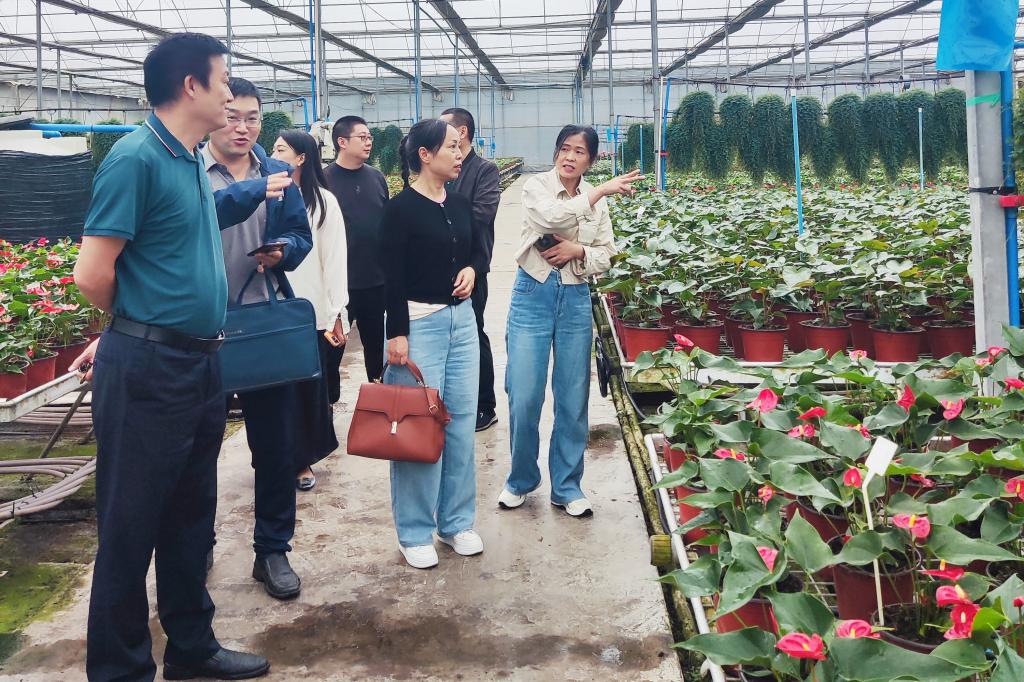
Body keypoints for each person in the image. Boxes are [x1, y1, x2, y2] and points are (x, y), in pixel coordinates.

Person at [70, 33, 269, 681]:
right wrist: (134, 326)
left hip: (200, 365)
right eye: (223, 80)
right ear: (191, 86)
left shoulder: (186, 159)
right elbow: (91, 273)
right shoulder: (136, 159)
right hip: (150, 369)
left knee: (190, 515)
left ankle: (191, 647)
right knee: (130, 526)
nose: (230, 94)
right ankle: (120, 669)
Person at [204, 77, 313, 600]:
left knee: (274, 446)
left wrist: (283, 251)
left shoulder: (278, 174)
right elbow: (185, 225)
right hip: (202, 329)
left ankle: (272, 549)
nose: (242, 127)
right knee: (197, 448)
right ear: (213, 115)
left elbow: (300, 235)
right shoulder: (191, 172)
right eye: (232, 116)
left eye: (252, 118)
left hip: (262, 322)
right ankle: (197, 542)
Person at [499, 125, 641, 518]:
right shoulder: (536, 187)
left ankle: (566, 486)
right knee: (524, 394)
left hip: (575, 297)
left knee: (572, 396)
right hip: (532, 294)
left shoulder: (598, 201)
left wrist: (578, 251)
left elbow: (607, 254)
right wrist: (597, 193)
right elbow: (549, 217)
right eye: (565, 148)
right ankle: (521, 480)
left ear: (590, 160)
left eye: (579, 152)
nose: (570, 157)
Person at [381, 119, 486, 569]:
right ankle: (414, 531)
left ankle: (455, 522)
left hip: (462, 324)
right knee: (418, 428)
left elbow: (478, 249)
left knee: (460, 423)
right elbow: (390, 275)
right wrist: (396, 333)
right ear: (425, 155)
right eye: (451, 148)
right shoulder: (400, 209)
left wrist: (473, 270)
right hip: (419, 325)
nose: (459, 155)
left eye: (461, 147)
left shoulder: (459, 203)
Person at [271, 129, 348, 491]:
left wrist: (336, 313)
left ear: (301, 158)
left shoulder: (322, 203)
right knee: (272, 390)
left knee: (305, 391)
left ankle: (301, 460)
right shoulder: (265, 196)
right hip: (270, 309)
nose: (273, 154)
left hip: (308, 312)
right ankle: (272, 458)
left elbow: (334, 261)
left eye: (280, 150)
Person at [439, 108, 501, 432]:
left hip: (472, 266)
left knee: (474, 332)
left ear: (461, 132)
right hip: (439, 265)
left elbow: (482, 215)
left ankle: (484, 406)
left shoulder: (484, 170)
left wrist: (439, 225)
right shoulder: (441, 168)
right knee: (448, 336)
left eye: (444, 127)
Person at [325, 115, 389, 383]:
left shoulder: (376, 177)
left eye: (369, 137)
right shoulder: (324, 180)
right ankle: (327, 404)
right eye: (362, 137)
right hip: (339, 286)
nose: (368, 142)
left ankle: (380, 401)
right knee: (330, 352)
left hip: (375, 282)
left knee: (378, 352)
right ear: (342, 142)